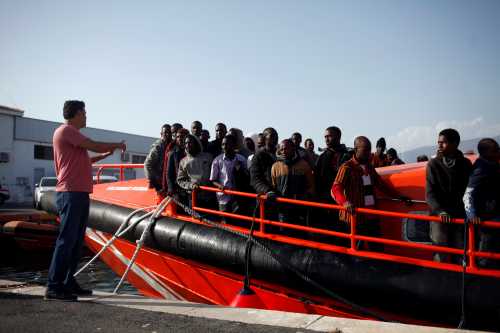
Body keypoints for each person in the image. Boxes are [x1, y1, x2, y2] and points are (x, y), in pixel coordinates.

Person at [46, 100, 126, 301]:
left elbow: (85, 159)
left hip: (79, 193)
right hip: (70, 193)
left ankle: (68, 282)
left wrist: (105, 154)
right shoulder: (67, 131)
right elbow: (94, 145)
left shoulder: (71, 136)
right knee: (66, 240)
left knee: (75, 241)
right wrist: (116, 144)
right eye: (84, 113)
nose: (86, 116)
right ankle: (54, 286)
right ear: (76, 114)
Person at [332, 136, 409, 251]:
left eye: (369, 149)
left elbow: (381, 185)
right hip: (355, 217)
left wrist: (399, 197)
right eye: (365, 150)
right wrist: (345, 203)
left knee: (377, 246)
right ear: (356, 149)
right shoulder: (347, 167)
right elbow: (335, 188)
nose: (369, 153)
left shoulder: (370, 167)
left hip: (371, 215)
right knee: (357, 248)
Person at [426, 128, 472, 262]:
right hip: (439, 217)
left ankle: (461, 280)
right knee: (441, 253)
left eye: (443, 142)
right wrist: (440, 211)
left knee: (461, 251)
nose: (439, 145)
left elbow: (469, 190)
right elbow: (429, 193)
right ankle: (441, 280)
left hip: (460, 215)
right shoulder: (433, 164)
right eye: (438, 142)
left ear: (455, 143)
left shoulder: (465, 164)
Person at [463, 138, 500, 268]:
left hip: (494, 214)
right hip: (487, 218)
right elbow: (468, 195)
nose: (499, 152)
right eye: (495, 150)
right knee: (487, 252)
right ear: (485, 153)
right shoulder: (481, 169)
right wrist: (472, 215)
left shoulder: (493, 165)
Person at [271, 139, 314, 227]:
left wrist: (306, 197)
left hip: (300, 207)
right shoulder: (275, 166)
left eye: (286, 149)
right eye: (281, 149)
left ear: (293, 149)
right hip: (282, 206)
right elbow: (274, 185)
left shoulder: (304, 165)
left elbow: (311, 185)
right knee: (283, 232)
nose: (283, 151)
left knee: (300, 232)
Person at [210, 134, 249, 221]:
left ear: (234, 145)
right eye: (223, 144)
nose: (225, 146)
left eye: (227, 144)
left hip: (238, 197)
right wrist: (220, 186)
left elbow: (246, 176)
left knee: (238, 222)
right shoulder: (217, 160)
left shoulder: (241, 159)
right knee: (225, 222)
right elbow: (213, 180)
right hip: (224, 197)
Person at [177, 134, 215, 209]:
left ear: (196, 143)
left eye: (190, 142)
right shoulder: (183, 161)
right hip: (194, 197)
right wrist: (191, 185)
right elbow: (180, 180)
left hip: (210, 196)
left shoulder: (208, 157)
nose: (188, 145)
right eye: (186, 143)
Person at [315, 126, 351, 204]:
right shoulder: (322, 157)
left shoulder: (348, 155)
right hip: (325, 199)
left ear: (338, 137)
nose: (326, 140)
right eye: (325, 137)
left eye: (329, 136)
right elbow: (317, 178)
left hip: (344, 198)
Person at [144, 124, 174, 202]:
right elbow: (147, 165)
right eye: (165, 133)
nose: (168, 134)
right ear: (161, 134)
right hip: (160, 180)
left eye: (169, 132)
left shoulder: (173, 145)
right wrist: (156, 180)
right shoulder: (158, 147)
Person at [250, 127, 279, 197]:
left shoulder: (281, 154)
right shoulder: (258, 156)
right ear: (264, 138)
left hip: (282, 195)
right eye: (272, 136)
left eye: (276, 136)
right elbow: (255, 179)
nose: (275, 138)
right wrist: (267, 190)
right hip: (267, 196)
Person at [167, 128, 189, 198]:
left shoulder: (193, 152)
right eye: (178, 137)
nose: (179, 138)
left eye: (182, 136)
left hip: (191, 187)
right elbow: (169, 173)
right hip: (178, 188)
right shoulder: (173, 153)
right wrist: (171, 189)